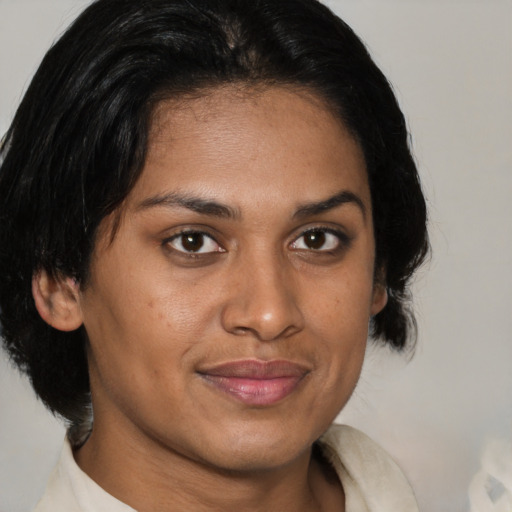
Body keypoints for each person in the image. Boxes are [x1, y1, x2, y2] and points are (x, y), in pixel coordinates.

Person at [0, 0, 429, 510]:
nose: (269, 315)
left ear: (378, 271)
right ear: (59, 279)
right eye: (192, 241)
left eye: (317, 239)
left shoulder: (394, 488)